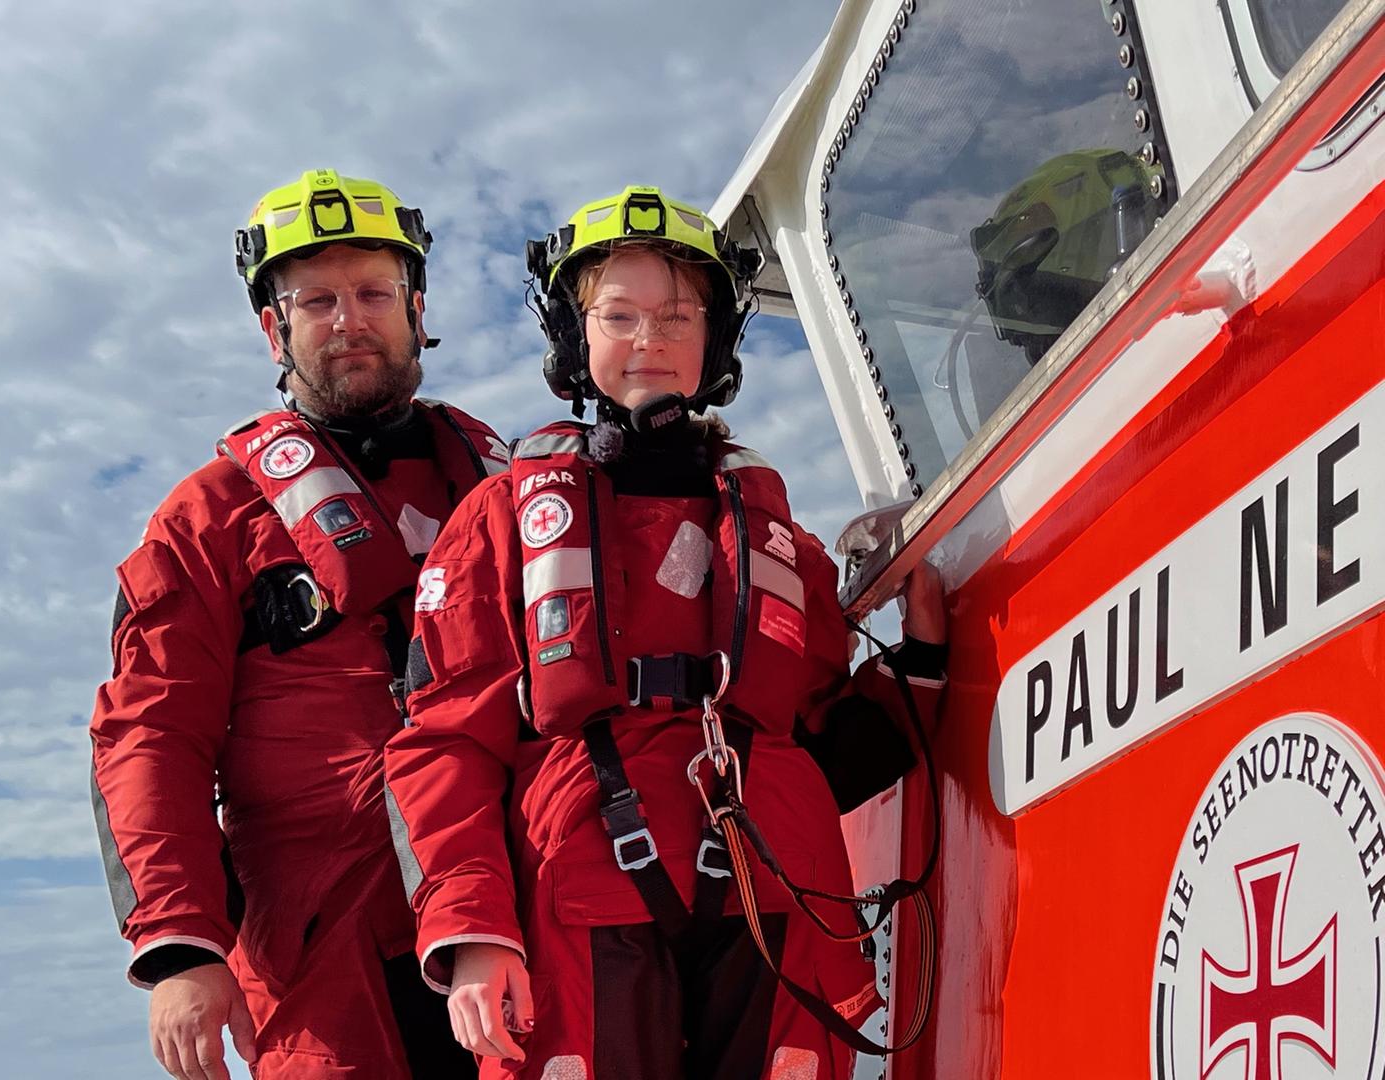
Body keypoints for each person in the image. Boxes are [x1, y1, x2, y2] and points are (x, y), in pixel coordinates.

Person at [383, 187, 947, 1079]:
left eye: (678, 315)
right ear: (576, 337)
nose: (650, 336)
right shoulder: (501, 522)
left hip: (772, 892)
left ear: (715, 341)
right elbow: (442, 742)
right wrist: (474, 932)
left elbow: (821, 738)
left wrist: (920, 663)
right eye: (620, 314)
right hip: (583, 894)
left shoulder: (776, 541)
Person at [91, 169, 506, 1080]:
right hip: (329, 966)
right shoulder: (205, 519)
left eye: (373, 294)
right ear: (276, 329)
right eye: (316, 301)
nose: (349, 321)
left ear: (417, 308)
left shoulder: (509, 494)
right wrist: (179, 943)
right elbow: (147, 734)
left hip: (519, 926)